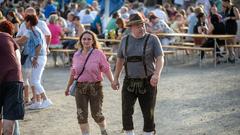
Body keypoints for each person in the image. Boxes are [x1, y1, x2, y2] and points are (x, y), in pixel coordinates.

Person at [112, 12, 164, 135]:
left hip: (148, 80)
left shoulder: (152, 39)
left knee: (148, 112)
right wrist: (116, 78)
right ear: (131, 27)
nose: (141, 27)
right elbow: (120, 60)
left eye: (142, 25)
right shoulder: (124, 40)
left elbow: (160, 57)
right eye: (138, 25)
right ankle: (129, 133)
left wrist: (157, 74)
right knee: (126, 111)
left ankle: (148, 133)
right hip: (129, 81)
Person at [65, 30, 114, 135]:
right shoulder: (76, 55)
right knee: (81, 115)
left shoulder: (98, 53)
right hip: (80, 88)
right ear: (81, 41)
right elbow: (73, 73)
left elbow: (106, 68)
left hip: (95, 87)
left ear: (93, 41)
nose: (86, 41)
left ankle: (103, 131)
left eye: (89, 39)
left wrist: (112, 81)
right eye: (84, 39)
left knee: (97, 114)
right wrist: (68, 87)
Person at [15, 14, 53, 110]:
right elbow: (22, 41)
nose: (24, 23)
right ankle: (37, 102)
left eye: (25, 21)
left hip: (38, 57)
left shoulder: (30, 31)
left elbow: (35, 44)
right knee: (33, 80)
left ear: (28, 21)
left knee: (35, 80)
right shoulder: (36, 30)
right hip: (40, 57)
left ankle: (45, 100)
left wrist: (35, 57)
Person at [0, 20, 24, 135]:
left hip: (9, 79)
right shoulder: (9, 39)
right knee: (10, 116)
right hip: (14, 79)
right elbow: (18, 61)